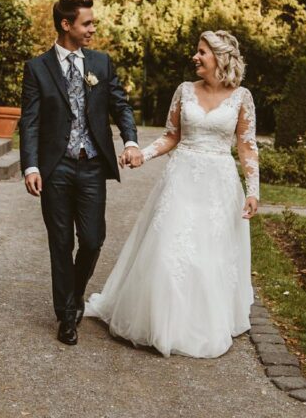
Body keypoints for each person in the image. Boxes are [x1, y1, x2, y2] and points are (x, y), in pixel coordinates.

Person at [84, 29, 260, 358]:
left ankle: (200, 326)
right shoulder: (184, 91)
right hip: (181, 180)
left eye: (202, 52)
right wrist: (141, 155)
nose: (195, 57)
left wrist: (253, 191)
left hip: (218, 185)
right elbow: (171, 136)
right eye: (197, 51)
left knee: (210, 256)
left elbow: (247, 147)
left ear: (220, 58)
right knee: (168, 250)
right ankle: (158, 323)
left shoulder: (242, 97)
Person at [19, 0, 143, 346]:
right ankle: (67, 315)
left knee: (91, 239)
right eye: (86, 23)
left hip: (91, 166)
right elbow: (30, 122)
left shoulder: (101, 64)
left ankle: (75, 293)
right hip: (55, 168)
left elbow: (121, 105)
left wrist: (130, 141)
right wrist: (30, 166)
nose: (93, 28)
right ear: (66, 24)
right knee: (60, 243)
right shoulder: (37, 68)